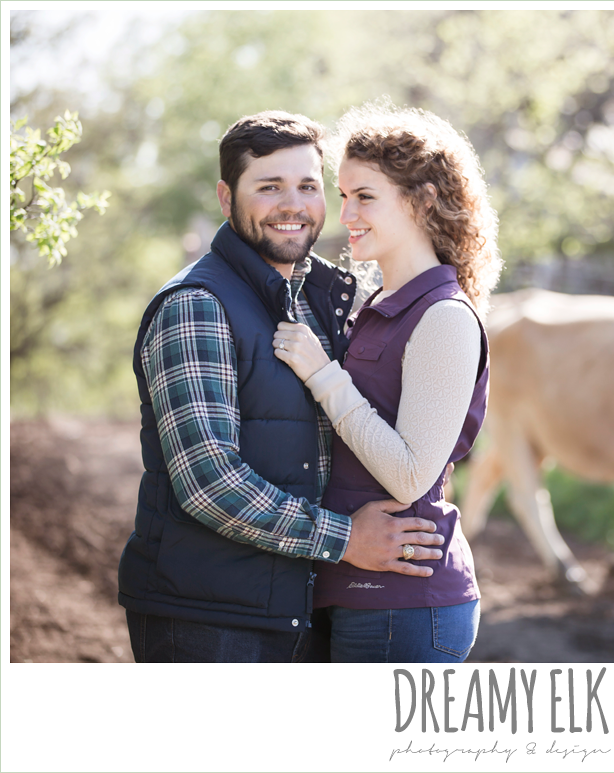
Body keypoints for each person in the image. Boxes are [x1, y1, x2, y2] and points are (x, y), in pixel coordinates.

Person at [118, 110, 445, 663]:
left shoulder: (323, 300)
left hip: (301, 605)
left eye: (308, 187)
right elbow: (208, 482)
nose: (293, 205)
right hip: (207, 616)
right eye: (269, 187)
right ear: (226, 198)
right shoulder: (197, 306)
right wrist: (346, 539)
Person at [273, 100, 502, 662]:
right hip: (351, 589)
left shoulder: (444, 317)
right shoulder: (377, 305)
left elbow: (408, 475)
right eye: (343, 195)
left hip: (406, 605)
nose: (346, 214)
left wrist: (323, 375)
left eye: (365, 196)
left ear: (423, 201)